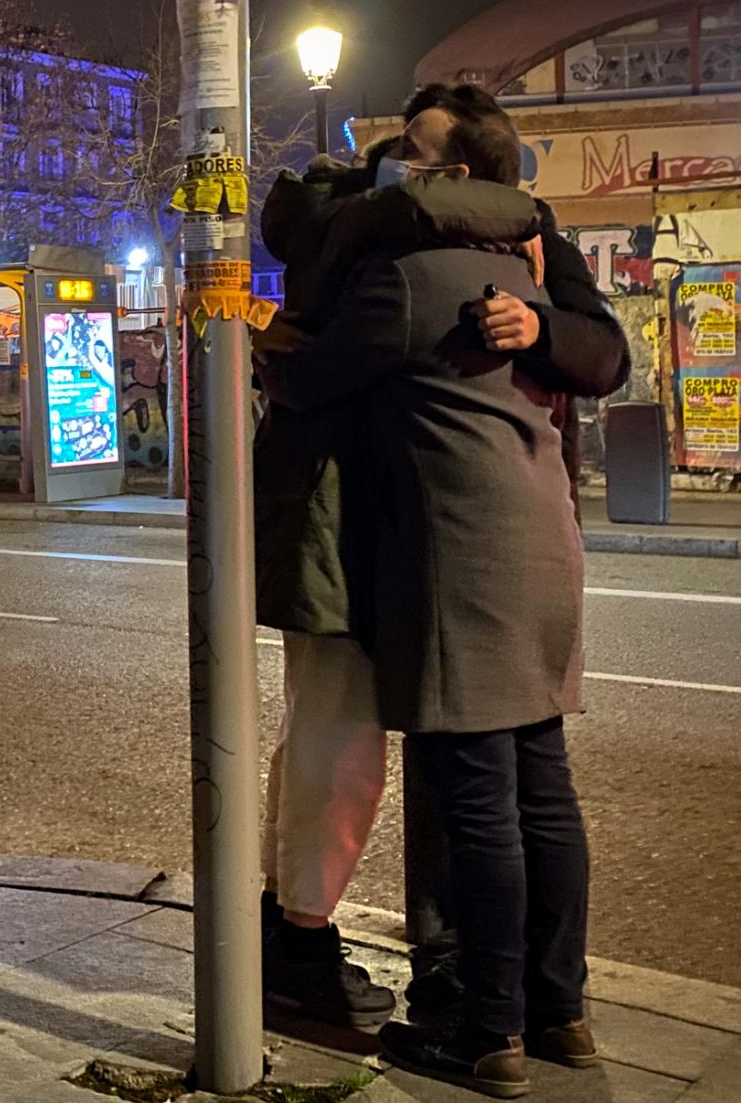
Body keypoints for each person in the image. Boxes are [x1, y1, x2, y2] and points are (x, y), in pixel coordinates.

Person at [252, 84, 628, 1036]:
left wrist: (541, 328)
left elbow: (603, 350)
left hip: (436, 543)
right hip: (431, 535)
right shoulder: (391, 235)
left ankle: (481, 1009)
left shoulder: (488, 256)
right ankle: (536, 1007)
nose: (398, 166)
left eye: (415, 154)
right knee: (479, 773)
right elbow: (309, 240)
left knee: (467, 782)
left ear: (458, 175)